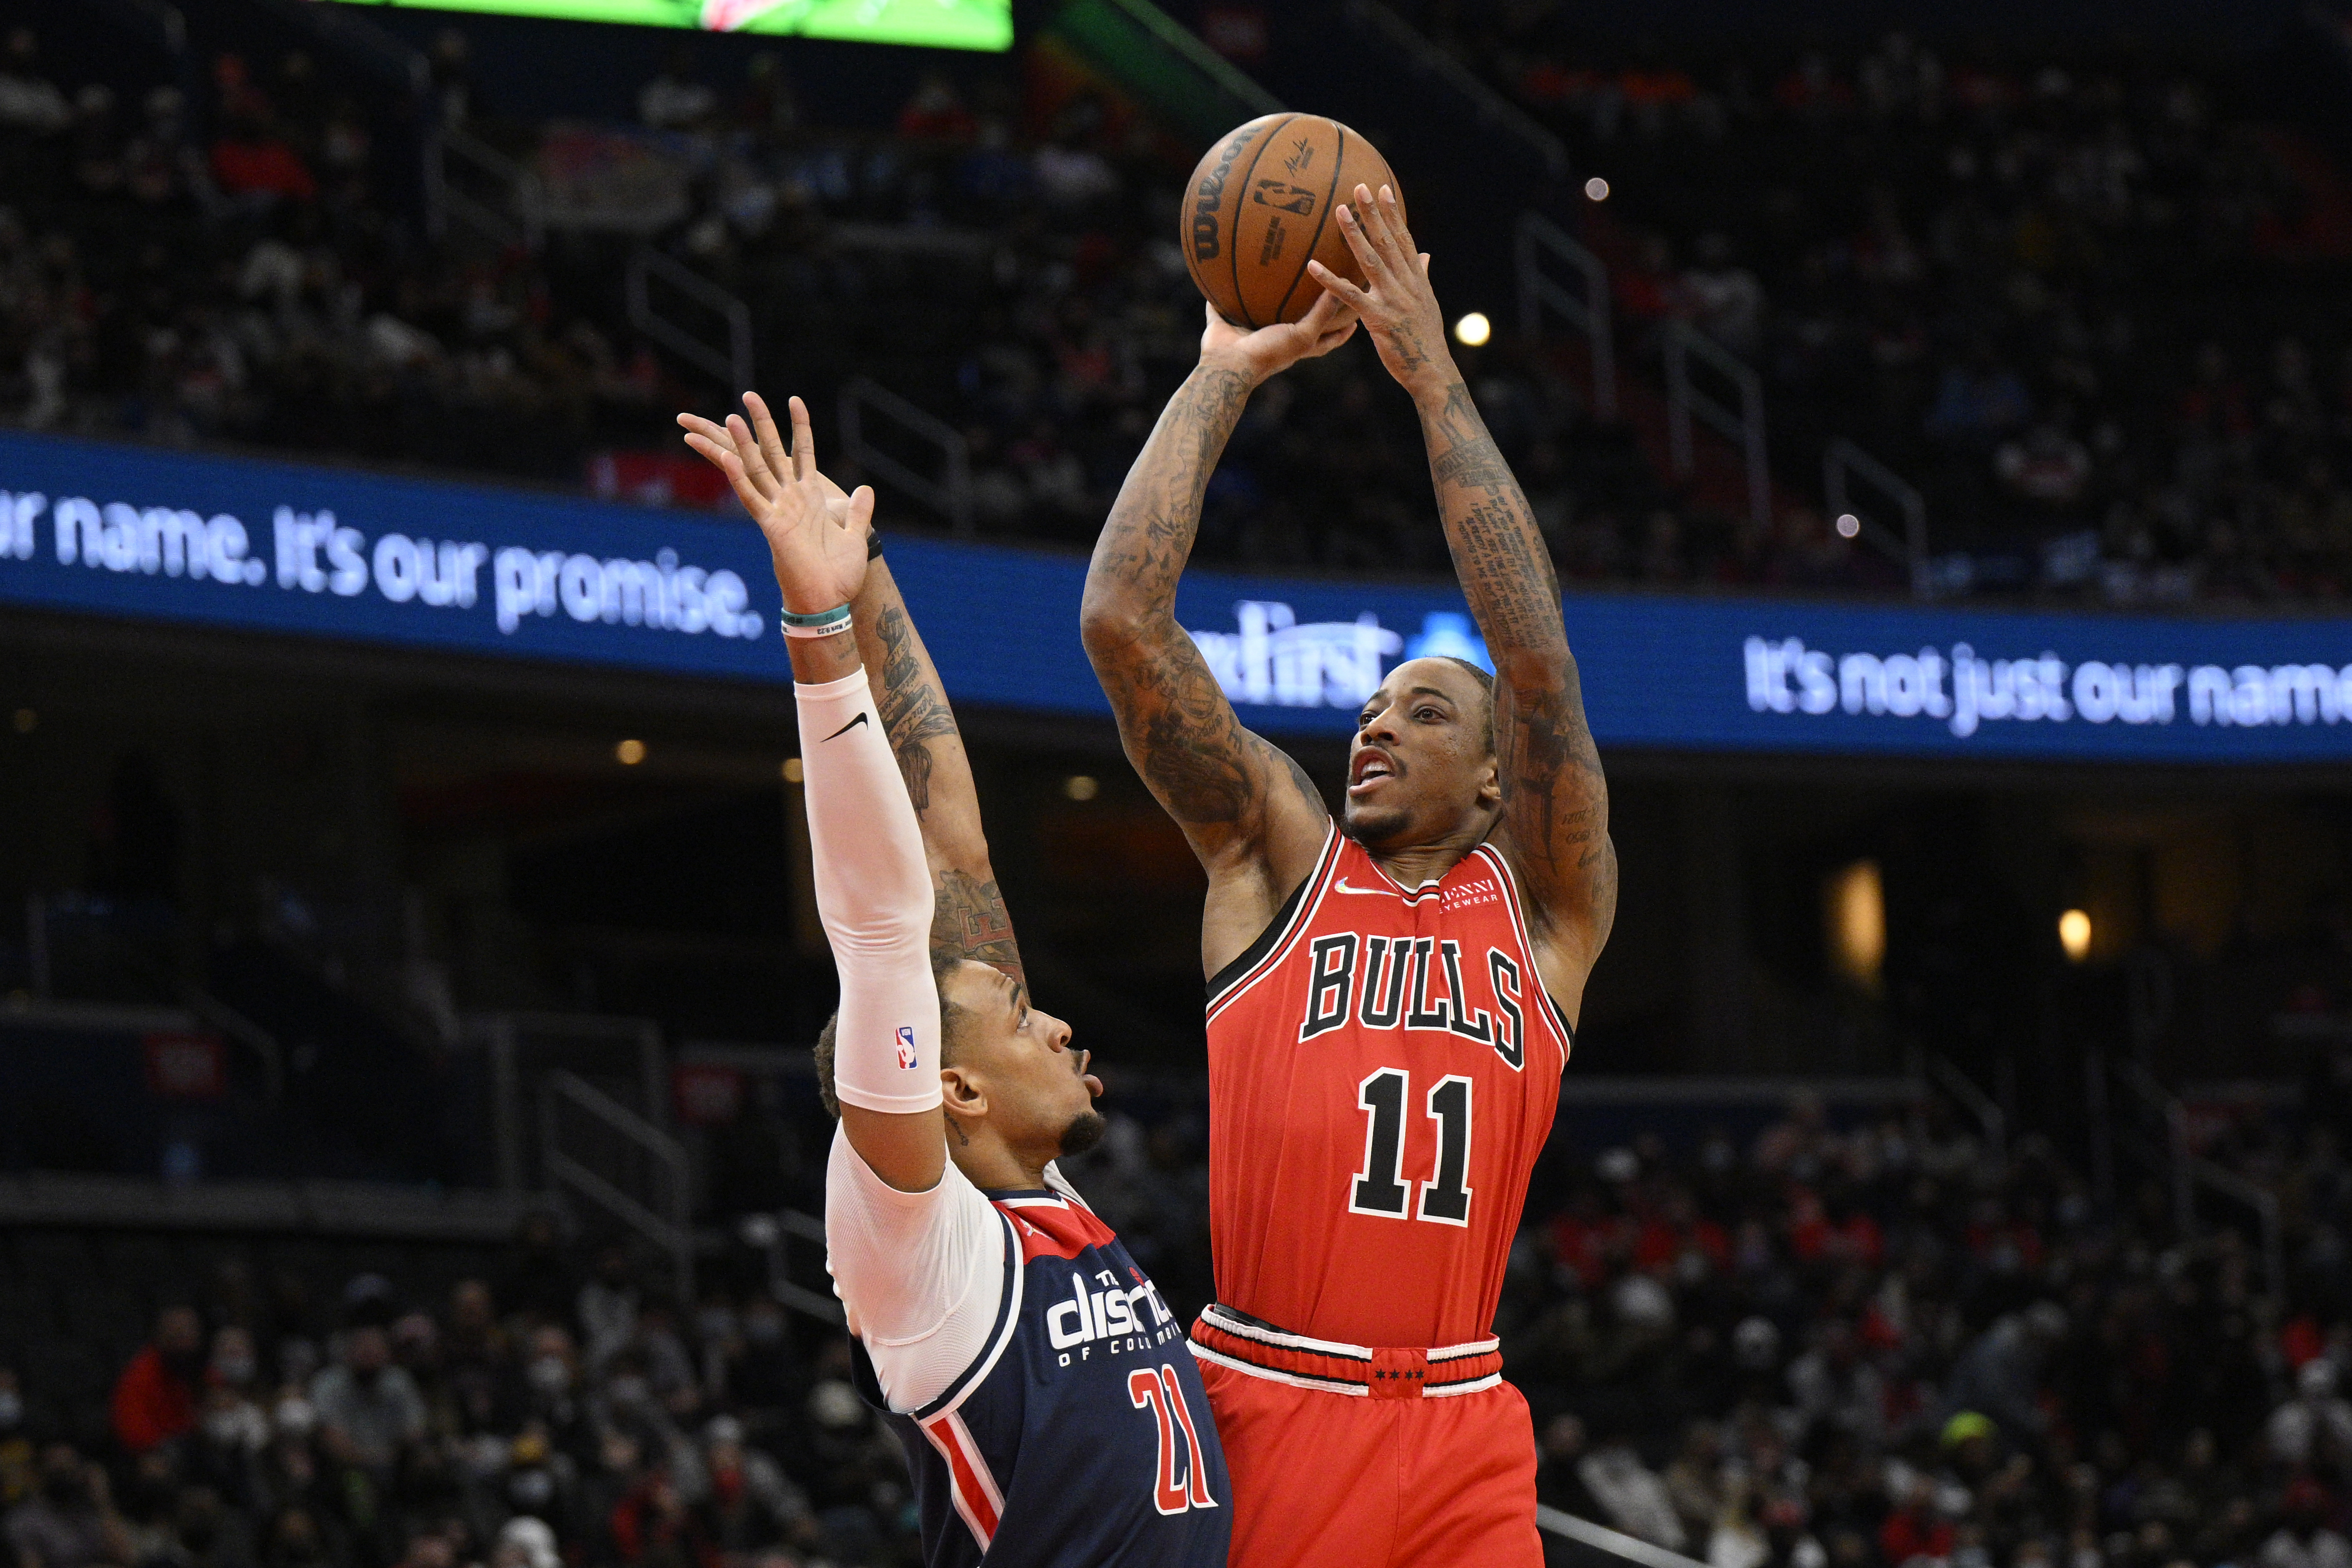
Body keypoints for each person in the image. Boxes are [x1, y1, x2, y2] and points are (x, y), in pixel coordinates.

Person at [1080, 183, 1618, 1568]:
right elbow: (1123, 624)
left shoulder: (1550, 906)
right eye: (1370, 707)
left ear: (1500, 780)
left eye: (1425, 711)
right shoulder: (1276, 857)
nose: (1375, 723)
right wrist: (1216, 377)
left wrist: (1434, 379)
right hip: (1268, 1396)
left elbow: (1542, 666)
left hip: (1463, 1416)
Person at [680, 391, 1230, 1565]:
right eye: (1024, 1020)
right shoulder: (919, 1249)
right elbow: (881, 926)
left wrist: (866, 570)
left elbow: (952, 842)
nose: (1058, 1020)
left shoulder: (1038, 1200)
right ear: (955, 1089)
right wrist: (816, 622)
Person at [111, 1305, 204, 1457]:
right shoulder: (141, 1373)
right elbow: (131, 1428)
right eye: (178, 1334)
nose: (184, 1341)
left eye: (190, 1333)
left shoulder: (201, 1368)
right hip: (158, 1450)